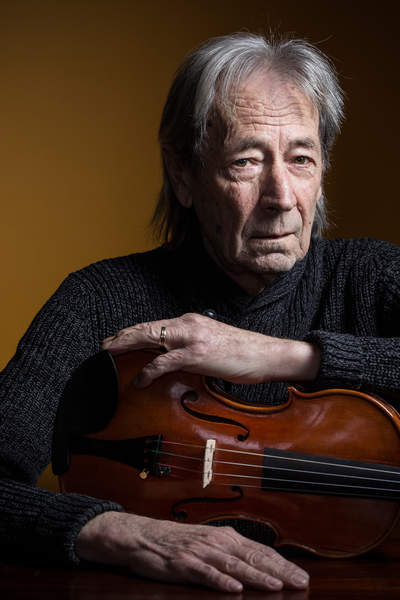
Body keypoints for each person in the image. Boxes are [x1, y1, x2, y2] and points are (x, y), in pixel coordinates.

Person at [1, 32, 400, 594]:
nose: (282, 196)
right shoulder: (98, 300)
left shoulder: (371, 276)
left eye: (302, 159)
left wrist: (283, 356)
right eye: (247, 161)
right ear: (183, 174)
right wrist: (115, 531)